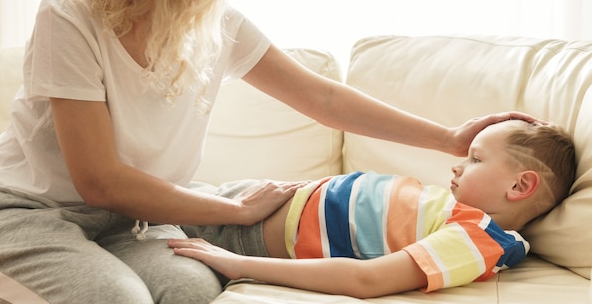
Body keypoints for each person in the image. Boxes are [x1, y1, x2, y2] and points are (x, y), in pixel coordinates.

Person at [0, 0, 537, 304]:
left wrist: (450, 139)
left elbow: (321, 97)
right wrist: (233, 213)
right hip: (28, 209)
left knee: (189, 289)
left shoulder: (215, 22)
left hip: (134, 222)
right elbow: (99, 181)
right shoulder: (72, 12)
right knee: (114, 298)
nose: (163, 18)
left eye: (185, 4)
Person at [170, 120, 576, 299]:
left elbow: (366, 279)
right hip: (252, 198)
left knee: (129, 212)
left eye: (474, 159)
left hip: (246, 233)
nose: (457, 165)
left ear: (520, 186)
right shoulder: (465, 212)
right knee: (136, 198)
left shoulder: (482, 241)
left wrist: (241, 265)